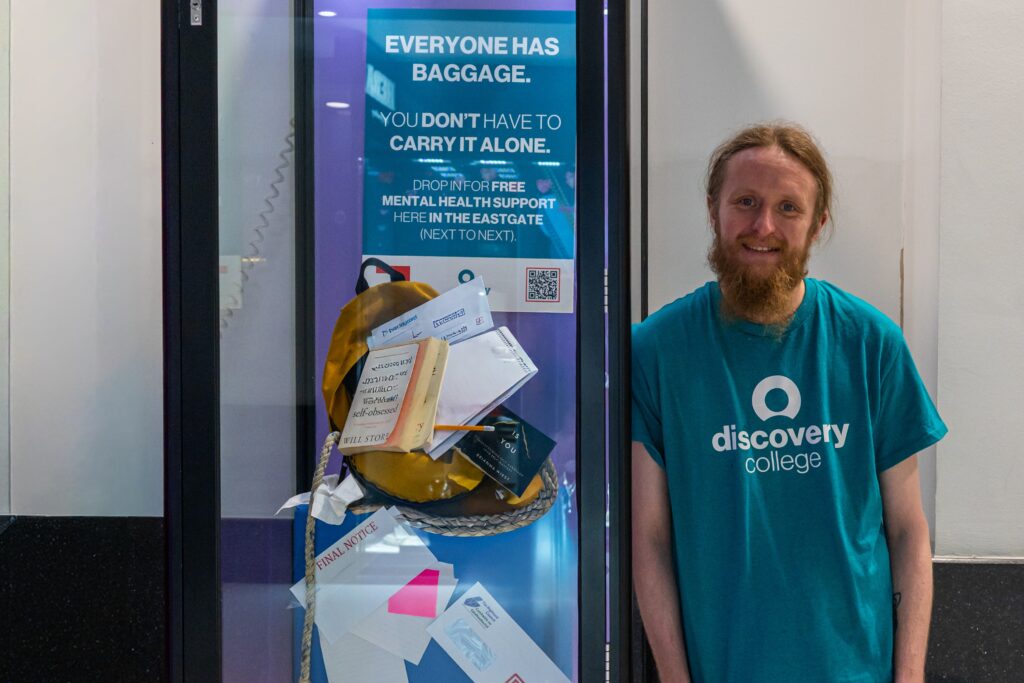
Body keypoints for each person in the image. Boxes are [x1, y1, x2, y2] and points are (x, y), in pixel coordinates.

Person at [631, 122, 947, 683]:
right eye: (745, 202)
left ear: (818, 223)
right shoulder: (655, 351)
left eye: (788, 208)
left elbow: (907, 530)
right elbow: (650, 538)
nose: (764, 226)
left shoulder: (872, 343)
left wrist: (911, 676)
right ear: (713, 210)